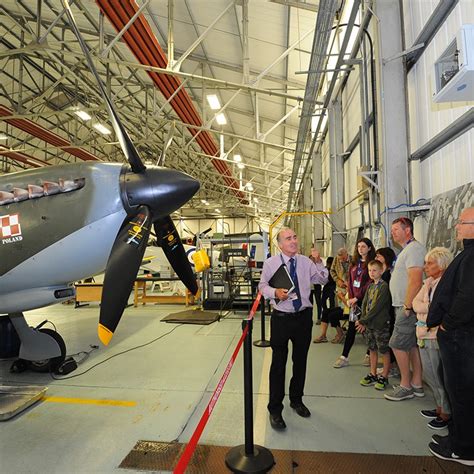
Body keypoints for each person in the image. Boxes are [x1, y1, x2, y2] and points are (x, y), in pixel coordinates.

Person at [259, 227, 328, 431]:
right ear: (279, 244)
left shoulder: (306, 262)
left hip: (303, 318)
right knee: (278, 364)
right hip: (281, 318)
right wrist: (274, 292)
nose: (294, 241)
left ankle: (296, 400)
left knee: (300, 362)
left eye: (295, 237)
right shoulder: (271, 263)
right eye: (288, 238)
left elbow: (322, 280)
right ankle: (275, 409)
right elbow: (262, 286)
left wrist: (318, 262)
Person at [427, 207, 474, 466]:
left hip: (461, 337)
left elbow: (468, 297)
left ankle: (464, 449)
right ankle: (456, 437)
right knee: (456, 391)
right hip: (459, 335)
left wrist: (448, 324)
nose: (456, 226)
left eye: (461, 222)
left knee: (462, 392)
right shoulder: (467, 253)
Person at [384, 217, 426, 401]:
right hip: (403, 304)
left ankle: (405, 386)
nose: (392, 233)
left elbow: (416, 280)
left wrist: (408, 306)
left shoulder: (414, 249)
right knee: (411, 345)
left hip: (406, 306)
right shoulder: (406, 250)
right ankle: (416, 383)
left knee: (397, 344)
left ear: (407, 230)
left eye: (396, 229)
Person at [414, 247, 452, 430]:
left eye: (430, 263)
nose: (425, 267)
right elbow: (415, 303)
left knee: (439, 375)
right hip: (423, 334)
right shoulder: (428, 282)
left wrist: (426, 307)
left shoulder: (445, 285)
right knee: (429, 374)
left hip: (435, 335)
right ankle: (439, 406)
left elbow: (438, 308)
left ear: (442, 265)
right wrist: (428, 307)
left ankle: (446, 412)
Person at [333, 238, 376, 368]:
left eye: (363, 246)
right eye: (358, 246)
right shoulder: (354, 263)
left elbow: (370, 283)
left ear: (369, 248)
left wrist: (357, 298)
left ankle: (369, 354)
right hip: (354, 302)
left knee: (369, 328)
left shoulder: (372, 264)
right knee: (352, 328)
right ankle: (344, 356)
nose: (360, 249)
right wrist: (350, 298)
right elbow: (351, 282)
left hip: (366, 301)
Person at [356, 260, 392, 390]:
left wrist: (363, 321)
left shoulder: (384, 287)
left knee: (384, 350)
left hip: (380, 324)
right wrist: (362, 319)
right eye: (370, 270)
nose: (372, 273)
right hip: (369, 324)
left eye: (375, 270)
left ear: (381, 271)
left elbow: (377, 308)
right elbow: (365, 303)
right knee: (372, 348)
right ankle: (373, 373)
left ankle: (384, 376)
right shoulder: (370, 286)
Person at [312, 256, 336, 343]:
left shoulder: (335, 269)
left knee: (332, 302)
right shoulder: (326, 269)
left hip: (332, 286)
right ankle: (326, 314)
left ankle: (330, 316)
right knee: (323, 301)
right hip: (327, 286)